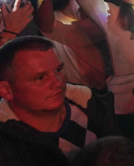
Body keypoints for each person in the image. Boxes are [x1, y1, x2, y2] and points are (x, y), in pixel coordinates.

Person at [0, 37, 120, 165]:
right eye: (40, 78)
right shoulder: (6, 145)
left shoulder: (92, 105)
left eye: (58, 70)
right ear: (6, 90)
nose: (58, 82)